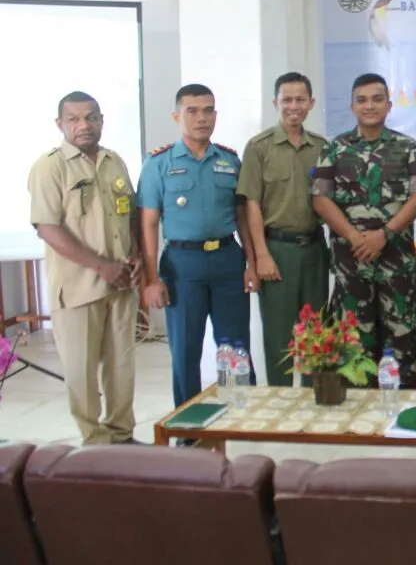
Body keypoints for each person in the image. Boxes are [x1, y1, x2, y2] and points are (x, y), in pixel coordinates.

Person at [27, 91, 140, 444]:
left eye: (91, 117)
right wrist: (100, 266)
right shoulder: (50, 166)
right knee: (81, 370)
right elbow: (47, 227)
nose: (84, 125)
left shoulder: (114, 161)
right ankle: (94, 440)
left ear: (102, 120)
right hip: (78, 286)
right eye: (74, 119)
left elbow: (129, 215)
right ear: (59, 124)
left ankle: (122, 435)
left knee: (121, 365)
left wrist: (136, 255)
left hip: (122, 283)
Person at [138, 84, 259, 409]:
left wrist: (251, 263)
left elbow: (242, 216)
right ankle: (189, 427)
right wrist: (151, 280)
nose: (201, 118)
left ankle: (242, 418)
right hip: (182, 264)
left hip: (226, 259)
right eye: (192, 111)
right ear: (177, 116)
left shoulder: (230, 160)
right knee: (185, 350)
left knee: (235, 347)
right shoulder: (158, 164)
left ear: (215, 115)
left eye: (208, 110)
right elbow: (148, 224)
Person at [311, 73, 416, 385]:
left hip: (396, 263)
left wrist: (384, 235)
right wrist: (353, 236)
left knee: (402, 337)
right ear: (352, 107)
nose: (370, 106)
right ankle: (359, 414)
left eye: (377, 99)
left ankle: (403, 411)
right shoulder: (335, 149)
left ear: (389, 105)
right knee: (353, 340)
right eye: (362, 100)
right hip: (352, 264)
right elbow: (320, 199)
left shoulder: (407, 147)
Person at [237, 72, 329, 386]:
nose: (294, 106)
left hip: (315, 250)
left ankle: (315, 401)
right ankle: (280, 401)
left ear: (311, 103)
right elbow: (251, 205)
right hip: (277, 250)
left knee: (316, 333)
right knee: (279, 336)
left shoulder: (321, 147)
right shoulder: (259, 147)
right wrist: (260, 255)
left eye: (300, 99)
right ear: (276, 103)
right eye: (287, 100)